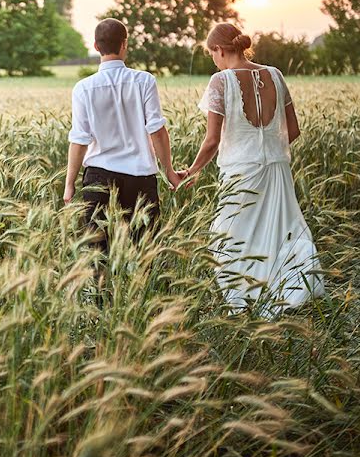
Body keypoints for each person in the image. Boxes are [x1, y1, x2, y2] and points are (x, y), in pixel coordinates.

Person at [178, 23, 325, 316]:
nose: (214, 61)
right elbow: (292, 130)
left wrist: (192, 171)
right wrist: (268, 146)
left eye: (212, 55)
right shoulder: (275, 75)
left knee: (231, 235)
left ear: (220, 50)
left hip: (240, 171)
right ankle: (285, 295)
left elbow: (212, 140)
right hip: (277, 169)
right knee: (280, 230)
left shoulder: (221, 81)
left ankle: (245, 301)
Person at [64, 18, 180, 299]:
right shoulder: (144, 81)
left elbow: (79, 140)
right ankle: (146, 306)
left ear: (95, 46)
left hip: (98, 179)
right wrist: (169, 171)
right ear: (125, 44)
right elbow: (157, 130)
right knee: (146, 249)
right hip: (140, 178)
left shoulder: (83, 88)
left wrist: (70, 184)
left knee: (97, 251)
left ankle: (102, 310)